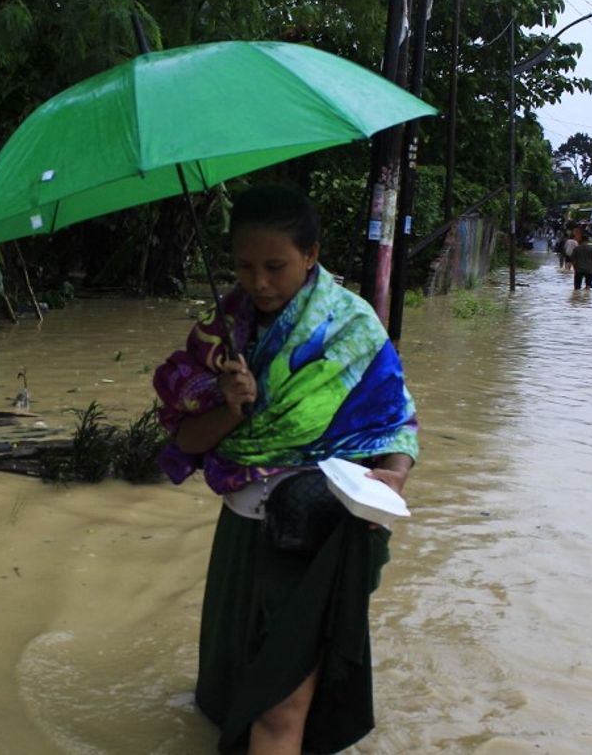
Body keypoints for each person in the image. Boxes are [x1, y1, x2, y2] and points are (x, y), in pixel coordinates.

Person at [153, 184, 419, 754]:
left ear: (311, 255)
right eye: (245, 267)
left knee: (280, 704)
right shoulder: (219, 335)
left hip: (318, 536)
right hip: (243, 535)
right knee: (232, 687)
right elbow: (186, 441)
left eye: (275, 266)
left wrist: (393, 478)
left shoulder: (353, 327)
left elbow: (396, 425)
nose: (260, 282)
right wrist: (229, 406)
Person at [570, 224, 592, 290]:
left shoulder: (577, 249)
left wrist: (574, 267)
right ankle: (586, 298)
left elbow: (573, 259)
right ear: (587, 241)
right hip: (589, 269)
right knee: (588, 286)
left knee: (577, 287)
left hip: (579, 269)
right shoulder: (591, 249)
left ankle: (577, 298)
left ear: (581, 240)